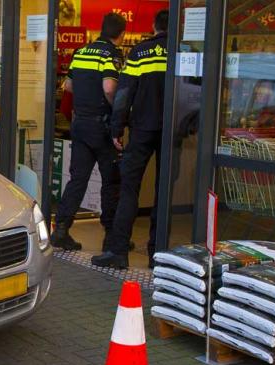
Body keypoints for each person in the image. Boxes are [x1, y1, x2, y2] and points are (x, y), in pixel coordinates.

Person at [92, 9, 169, 269]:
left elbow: (123, 94)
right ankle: (157, 256)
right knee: (164, 191)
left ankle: (118, 251)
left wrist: (117, 128)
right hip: (171, 133)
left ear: (154, 25)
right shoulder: (185, 52)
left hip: (142, 129)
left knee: (129, 188)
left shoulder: (140, 52)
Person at [50, 13, 126, 251]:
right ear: (121, 34)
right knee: (110, 181)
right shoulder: (112, 54)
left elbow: (69, 86)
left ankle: (61, 229)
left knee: (78, 179)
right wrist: (119, 111)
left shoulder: (81, 52)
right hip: (101, 125)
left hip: (80, 124)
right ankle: (111, 236)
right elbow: (109, 87)